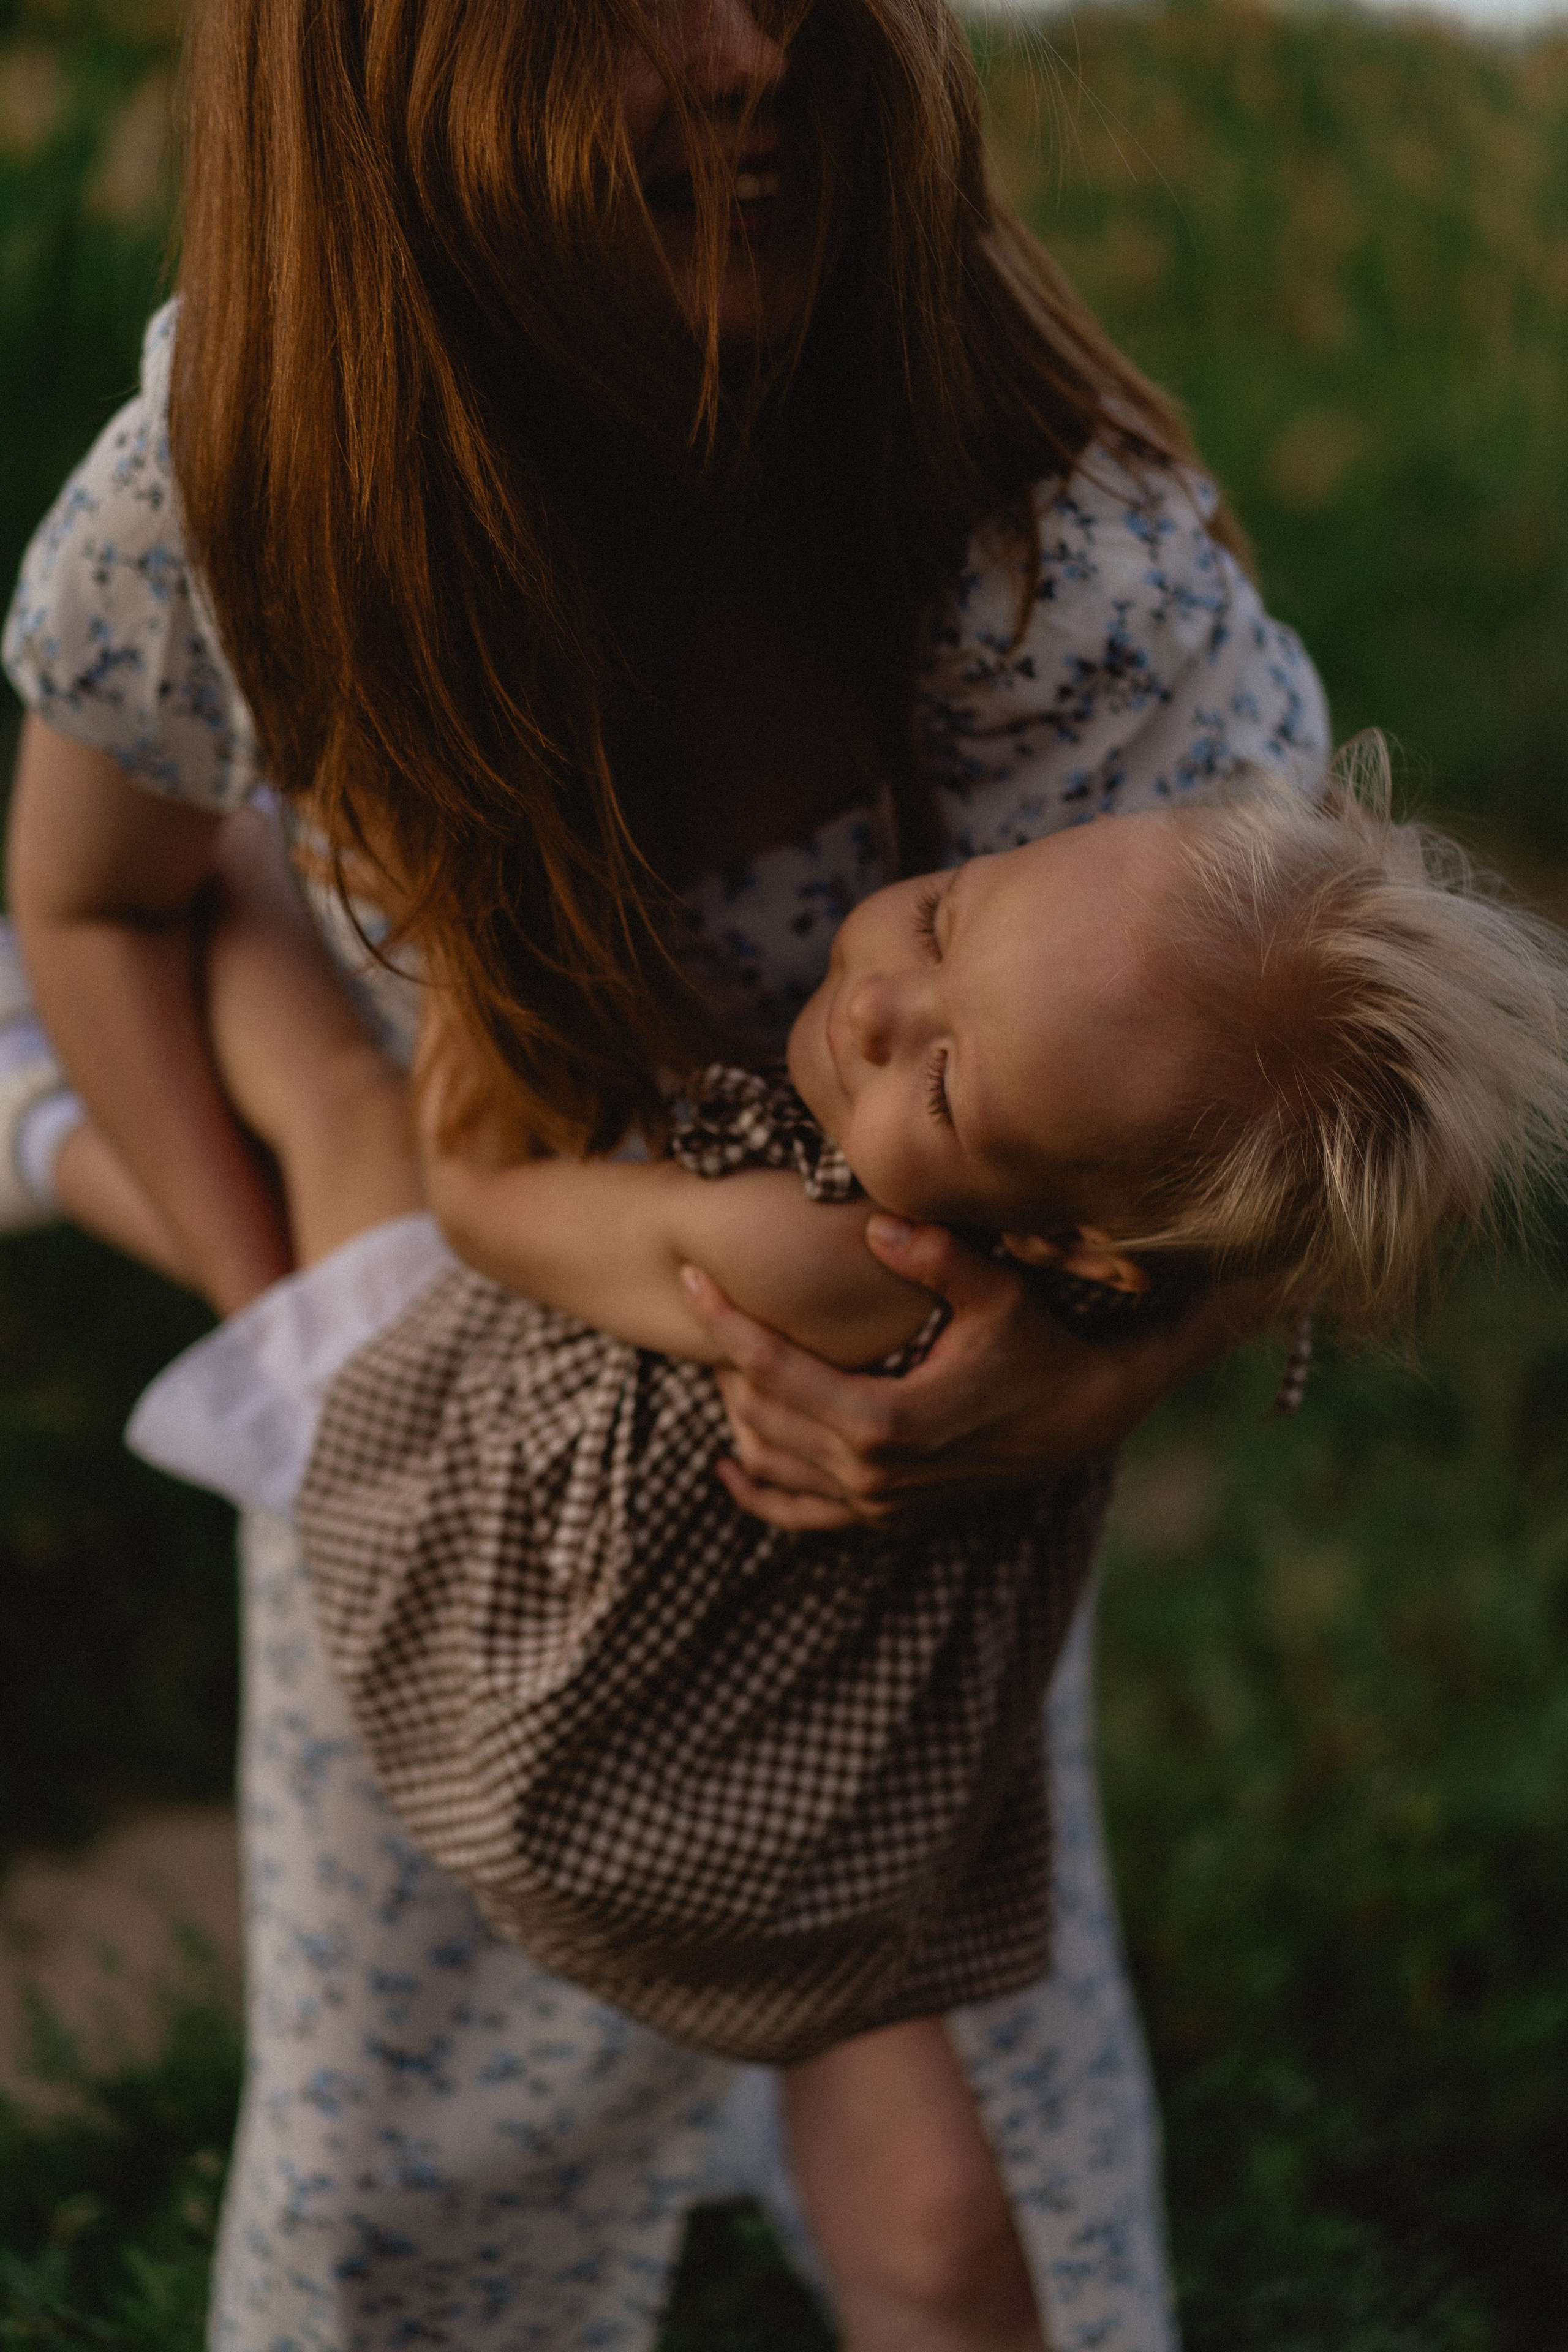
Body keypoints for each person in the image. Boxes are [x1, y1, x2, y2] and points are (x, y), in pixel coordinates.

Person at [1, 0, 1335, 2343]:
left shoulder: (1043, 557)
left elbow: (1302, 1086)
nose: (742, 52)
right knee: (401, 2194)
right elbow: (98, 891)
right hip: (442, 1483)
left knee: (975, 2226)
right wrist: (324, 1357)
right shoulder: (252, 463)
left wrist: (1097, 1383)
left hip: (885, 1555)